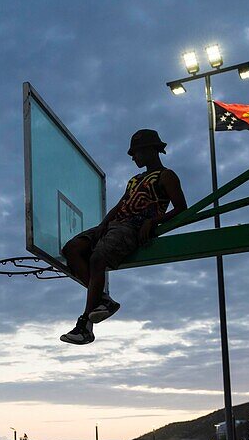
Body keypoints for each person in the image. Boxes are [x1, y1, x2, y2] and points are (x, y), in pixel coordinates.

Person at [60, 129, 187, 345]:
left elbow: (182, 208)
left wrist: (154, 221)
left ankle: (84, 324)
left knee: (97, 259)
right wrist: (103, 224)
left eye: (135, 152)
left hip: (132, 228)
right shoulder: (134, 180)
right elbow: (121, 205)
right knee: (71, 249)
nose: (132, 157)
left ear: (149, 150)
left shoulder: (166, 176)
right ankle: (102, 301)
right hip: (115, 225)